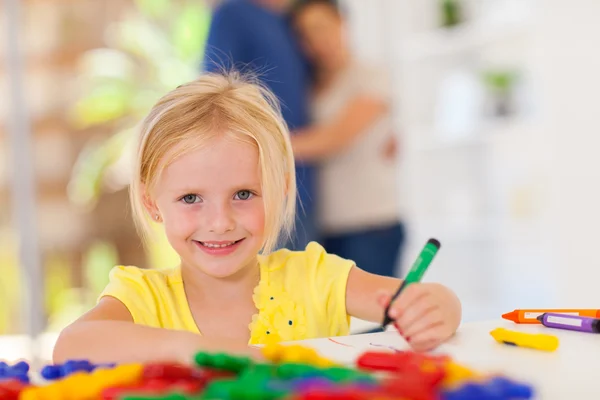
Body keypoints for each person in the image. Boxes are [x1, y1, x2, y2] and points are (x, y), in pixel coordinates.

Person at [53, 73, 462, 365]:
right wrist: (197, 351)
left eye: (243, 194)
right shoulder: (142, 297)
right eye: (191, 198)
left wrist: (438, 308)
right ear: (152, 203)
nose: (220, 222)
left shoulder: (313, 278)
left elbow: (418, 300)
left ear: (281, 189)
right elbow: (72, 345)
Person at [288, 0, 405, 277]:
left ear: (342, 22)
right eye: (305, 34)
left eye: (322, 27)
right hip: (326, 226)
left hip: (372, 224)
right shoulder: (309, 84)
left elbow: (335, 139)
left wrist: (264, 146)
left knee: (372, 319)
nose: (317, 40)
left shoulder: (370, 76)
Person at [202, 0, 316, 250]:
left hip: (303, 185)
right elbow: (212, 97)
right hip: (259, 188)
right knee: (268, 285)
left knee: (303, 283)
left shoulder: (288, 21)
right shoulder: (233, 15)